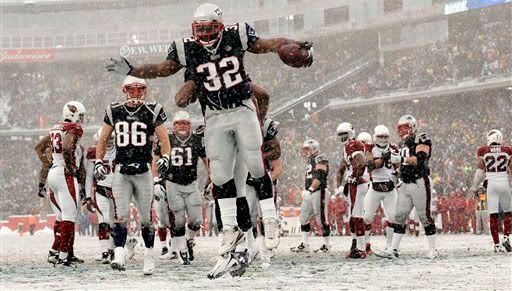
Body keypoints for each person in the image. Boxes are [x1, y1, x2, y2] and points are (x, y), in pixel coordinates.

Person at [106, 2, 312, 258]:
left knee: (256, 163)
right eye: (199, 29)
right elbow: (161, 70)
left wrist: (291, 42)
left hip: (241, 107)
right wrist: (132, 70)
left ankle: (269, 218)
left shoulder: (236, 35)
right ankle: (228, 228)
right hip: (214, 115)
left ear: (220, 26)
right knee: (220, 174)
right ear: (194, 29)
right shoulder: (188, 50)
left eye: (208, 28)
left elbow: (268, 43)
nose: (204, 34)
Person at [94, 76, 171, 275]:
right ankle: (119, 253)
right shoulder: (114, 110)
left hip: (144, 170)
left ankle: (148, 256)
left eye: (139, 89)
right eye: (131, 89)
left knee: (146, 218)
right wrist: (98, 161)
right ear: (124, 90)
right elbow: (103, 139)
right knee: (120, 215)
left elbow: (164, 137)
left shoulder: (152, 110)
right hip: (121, 170)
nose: (135, 93)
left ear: (145, 91)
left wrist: (166, 156)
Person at [152, 110, 209, 265]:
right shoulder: (166, 139)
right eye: (179, 123)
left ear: (190, 125)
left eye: (186, 123)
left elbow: (206, 160)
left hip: (191, 184)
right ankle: (182, 252)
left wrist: (211, 179)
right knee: (177, 220)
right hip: (172, 184)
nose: (182, 126)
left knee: (196, 220)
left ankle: (189, 241)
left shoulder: (197, 139)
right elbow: (156, 161)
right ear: (174, 125)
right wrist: (156, 181)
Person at [378, 115, 438, 259]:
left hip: (419, 182)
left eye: (405, 127)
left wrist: (401, 159)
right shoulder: (402, 144)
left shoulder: (422, 138)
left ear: (413, 127)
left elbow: (421, 159)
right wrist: (395, 172)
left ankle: (433, 249)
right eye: (400, 128)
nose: (403, 131)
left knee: (424, 216)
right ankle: (394, 249)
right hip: (405, 183)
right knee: (399, 217)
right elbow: (402, 164)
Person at [46, 101, 87, 266]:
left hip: (54, 171)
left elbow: (48, 149)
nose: (82, 119)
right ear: (73, 113)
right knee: (69, 217)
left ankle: (55, 252)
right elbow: (68, 147)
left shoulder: (56, 127)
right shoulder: (72, 129)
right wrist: (71, 168)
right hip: (63, 172)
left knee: (61, 217)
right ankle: (63, 257)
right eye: (81, 115)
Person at [470, 129, 512, 252]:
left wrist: (475, 187)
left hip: (491, 185)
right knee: (508, 213)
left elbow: (479, 172)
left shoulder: (484, 151)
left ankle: (496, 245)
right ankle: (506, 237)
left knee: (493, 215)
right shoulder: (507, 150)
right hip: (504, 183)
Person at [363, 125, 399, 252]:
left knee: (394, 217)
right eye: (380, 136)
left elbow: (398, 166)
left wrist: (397, 172)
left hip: (390, 187)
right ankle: (366, 244)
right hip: (375, 187)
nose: (383, 139)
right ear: (375, 137)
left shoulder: (394, 147)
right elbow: (370, 165)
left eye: (385, 136)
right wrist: (384, 157)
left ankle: (389, 245)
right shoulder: (369, 147)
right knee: (367, 217)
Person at [335, 122, 369, 258]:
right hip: (352, 184)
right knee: (353, 217)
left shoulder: (355, 144)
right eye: (341, 135)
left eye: (345, 134)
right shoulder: (346, 148)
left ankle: (362, 249)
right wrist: (339, 186)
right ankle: (355, 243)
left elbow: (361, 163)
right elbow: (341, 169)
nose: (343, 137)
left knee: (358, 216)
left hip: (360, 183)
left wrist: (356, 176)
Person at [290, 139, 330, 253]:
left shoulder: (320, 158)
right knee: (303, 217)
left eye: (308, 149)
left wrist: (312, 188)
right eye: (305, 149)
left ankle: (326, 245)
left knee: (321, 219)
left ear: (314, 148)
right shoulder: (310, 160)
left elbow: (320, 176)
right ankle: (305, 244)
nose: (305, 151)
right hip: (310, 192)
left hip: (319, 191)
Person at [85, 127, 116, 264]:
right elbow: (89, 176)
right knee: (104, 221)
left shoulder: (120, 150)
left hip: (117, 190)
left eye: (111, 138)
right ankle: (105, 252)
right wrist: (87, 196)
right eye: (105, 139)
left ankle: (113, 250)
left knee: (116, 222)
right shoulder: (94, 152)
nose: (108, 142)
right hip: (101, 189)